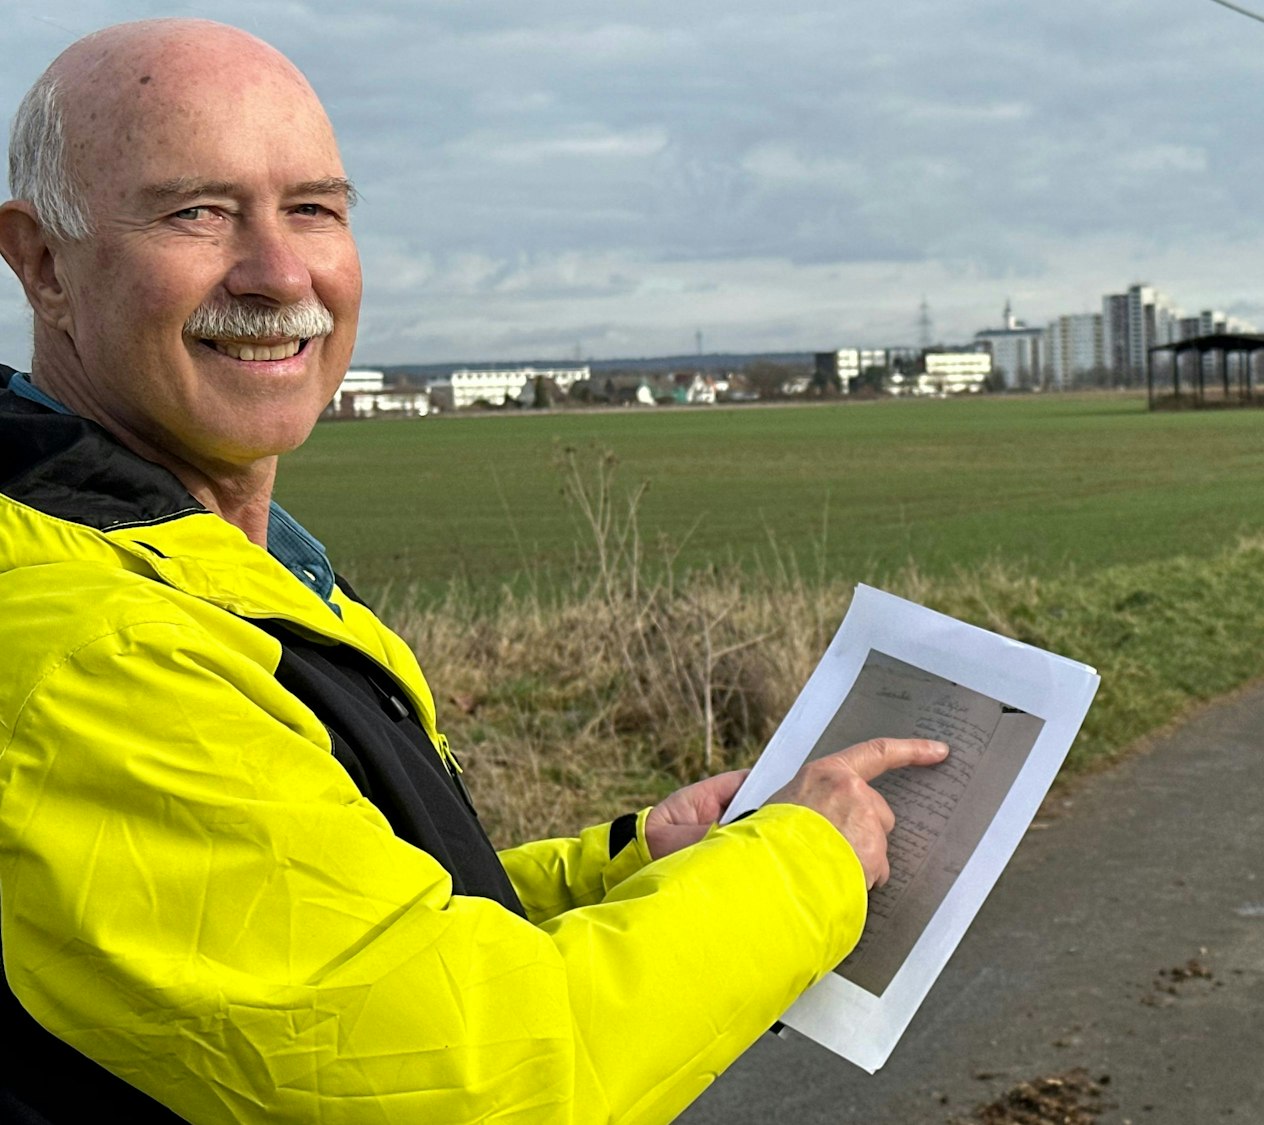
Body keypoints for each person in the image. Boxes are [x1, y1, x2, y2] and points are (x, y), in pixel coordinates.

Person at [0, 19, 946, 1122]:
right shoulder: (94, 652)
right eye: (197, 212)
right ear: (43, 263)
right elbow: (476, 1084)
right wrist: (804, 864)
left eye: (313, 207)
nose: (278, 272)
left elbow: (357, 944)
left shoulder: (209, 566)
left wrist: (634, 864)